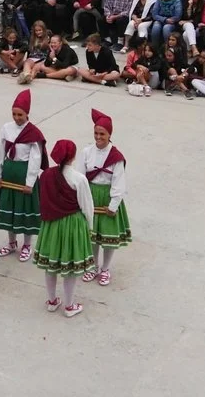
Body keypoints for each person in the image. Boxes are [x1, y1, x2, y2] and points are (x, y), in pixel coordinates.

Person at [32, 139, 95, 318]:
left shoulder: (46, 175)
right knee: (70, 267)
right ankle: (69, 305)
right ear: (73, 157)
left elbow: (42, 198)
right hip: (72, 225)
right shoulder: (79, 179)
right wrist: (89, 227)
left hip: (51, 224)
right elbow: (87, 207)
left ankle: (52, 301)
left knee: (51, 265)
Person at [0, 89, 48, 262]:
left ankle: (27, 245)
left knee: (24, 211)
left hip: (24, 176)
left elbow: (35, 159)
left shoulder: (33, 133)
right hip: (8, 174)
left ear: (27, 114)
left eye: (20, 115)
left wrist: (30, 183)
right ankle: (11, 243)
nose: (17, 118)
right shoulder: (6, 128)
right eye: (14, 114)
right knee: (10, 210)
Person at [78, 109, 130, 286]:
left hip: (108, 198)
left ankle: (105, 268)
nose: (98, 137)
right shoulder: (86, 152)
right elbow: (80, 178)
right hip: (91, 196)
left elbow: (119, 182)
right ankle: (93, 266)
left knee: (108, 238)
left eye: (102, 134)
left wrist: (113, 205)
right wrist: (80, 200)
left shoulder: (116, 157)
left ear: (109, 134)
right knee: (92, 236)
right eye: (96, 133)